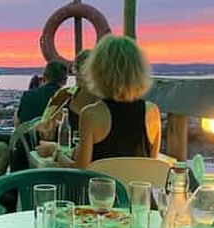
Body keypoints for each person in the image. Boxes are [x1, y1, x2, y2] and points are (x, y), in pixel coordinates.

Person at [56, 35, 161, 169]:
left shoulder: (91, 115)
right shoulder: (152, 112)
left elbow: (80, 170)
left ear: (98, 71)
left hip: (100, 183)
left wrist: (57, 154)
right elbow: (151, 167)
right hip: (139, 183)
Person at [36, 49, 97, 139]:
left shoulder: (106, 100)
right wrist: (46, 130)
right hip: (63, 146)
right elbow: (46, 130)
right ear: (76, 72)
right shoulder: (63, 96)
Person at [15, 60, 68, 125]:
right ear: (65, 80)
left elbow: (18, 122)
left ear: (44, 78)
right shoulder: (67, 98)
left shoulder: (27, 95)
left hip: (27, 131)